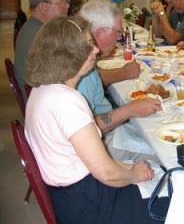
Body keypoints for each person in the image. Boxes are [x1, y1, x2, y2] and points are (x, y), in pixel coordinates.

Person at [24, 16, 168, 223]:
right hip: (89, 206)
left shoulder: (42, 90)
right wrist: (134, 175)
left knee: (152, 172)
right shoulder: (67, 101)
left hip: (70, 195)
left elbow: (84, 155)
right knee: (174, 198)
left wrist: (128, 167)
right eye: (89, 46)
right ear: (69, 55)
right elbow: (106, 172)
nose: (96, 51)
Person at [78, 0, 160, 160]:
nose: (120, 37)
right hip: (100, 145)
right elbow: (85, 129)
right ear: (100, 32)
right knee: (163, 151)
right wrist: (130, 109)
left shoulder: (84, 55)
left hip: (109, 130)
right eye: (117, 31)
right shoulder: (82, 70)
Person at [15, 0, 69, 100]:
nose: (67, 6)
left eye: (66, 1)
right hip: (44, 101)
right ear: (43, 7)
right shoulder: (42, 38)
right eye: (61, 1)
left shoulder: (34, 28)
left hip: (39, 95)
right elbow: (65, 79)